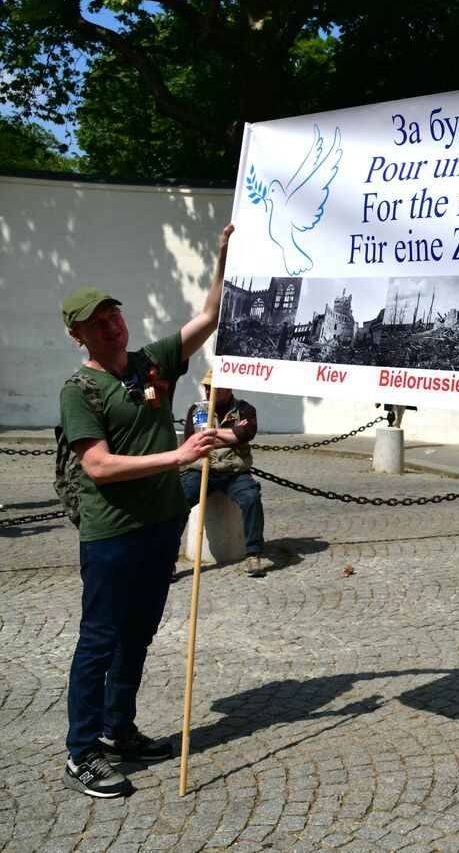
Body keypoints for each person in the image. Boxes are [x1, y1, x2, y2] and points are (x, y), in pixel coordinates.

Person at [57, 224, 232, 799]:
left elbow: (207, 319)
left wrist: (226, 257)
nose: (112, 324)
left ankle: (118, 729)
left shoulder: (148, 362)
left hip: (160, 527)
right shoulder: (79, 390)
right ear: (78, 334)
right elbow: (99, 467)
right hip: (112, 535)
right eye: (98, 321)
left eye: (114, 314)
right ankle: (81, 752)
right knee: (100, 638)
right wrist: (179, 455)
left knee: (138, 634)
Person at [180, 369, 266, 577]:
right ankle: (167, 558)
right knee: (177, 501)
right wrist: (231, 434)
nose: (208, 392)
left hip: (234, 471)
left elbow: (246, 433)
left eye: (213, 388)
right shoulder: (197, 409)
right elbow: (193, 441)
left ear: (228, 388)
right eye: (206, 388)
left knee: (251, 498)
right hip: (201, 470)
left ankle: (253, 554)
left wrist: (209, 434)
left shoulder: (245, 410)